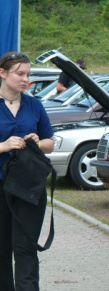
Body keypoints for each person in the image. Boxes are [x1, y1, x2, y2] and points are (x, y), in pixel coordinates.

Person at [0, 52, 55, 291]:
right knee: (1, 247)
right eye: (20, 74)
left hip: (28, 187)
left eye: (28, 75)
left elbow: (50, 143)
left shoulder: (34, 104)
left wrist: (37, 142)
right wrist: (3, 146)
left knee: (25, 246)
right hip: (1, 185)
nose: (25, 79)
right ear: (2, 73)